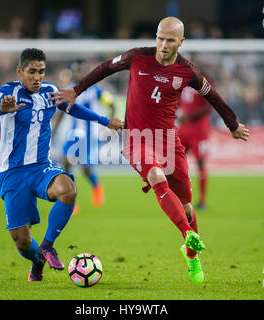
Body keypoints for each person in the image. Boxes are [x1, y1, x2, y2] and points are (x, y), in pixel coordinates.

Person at [53, 17, 249, 284]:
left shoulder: (187, 72)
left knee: (188, 208)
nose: (163, 45)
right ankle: (187, 234)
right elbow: (104, 69)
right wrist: (76, 90)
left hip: (168, 141)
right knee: (156, 176)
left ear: (181, 42)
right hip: (137, 138)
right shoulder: (137, 57)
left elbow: (212, 94)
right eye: (160, 38)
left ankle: (191, 254)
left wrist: (233, 124)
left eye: (170, 40)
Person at [0, 48, 123, 281]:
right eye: (31, 72)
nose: (37, 77)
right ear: (20, 71)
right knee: (22, 240)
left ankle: (47, 245)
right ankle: (37, 261)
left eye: (41, 71)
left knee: (68, 189)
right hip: (13, 172)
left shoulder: (49, 91)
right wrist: (1, 109)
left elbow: (73, 108)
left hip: (41, 167)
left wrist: (106, 121)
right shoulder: (9, 91)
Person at [51, 60, 116, 214]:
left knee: (82, 167)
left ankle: (94, 188)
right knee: (67, 164)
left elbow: (112, 105)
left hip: (91, 135)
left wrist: (108, 125)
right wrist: (54, 130)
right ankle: (72, 201)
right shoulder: (67, 90)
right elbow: (60, 112)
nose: (80, 73)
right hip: (75, 134)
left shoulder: (97, 90)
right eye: (77, 70)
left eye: (82, 70)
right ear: (73, 72)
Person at [177, 86, 212, 210]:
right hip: (183, 128)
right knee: (174, 160)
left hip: (200, 129)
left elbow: (209, 106)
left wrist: (190, 116)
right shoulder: (181, 77)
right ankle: (177, 199)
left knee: (200, 163)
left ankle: (202, 201)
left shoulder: (205, 80)